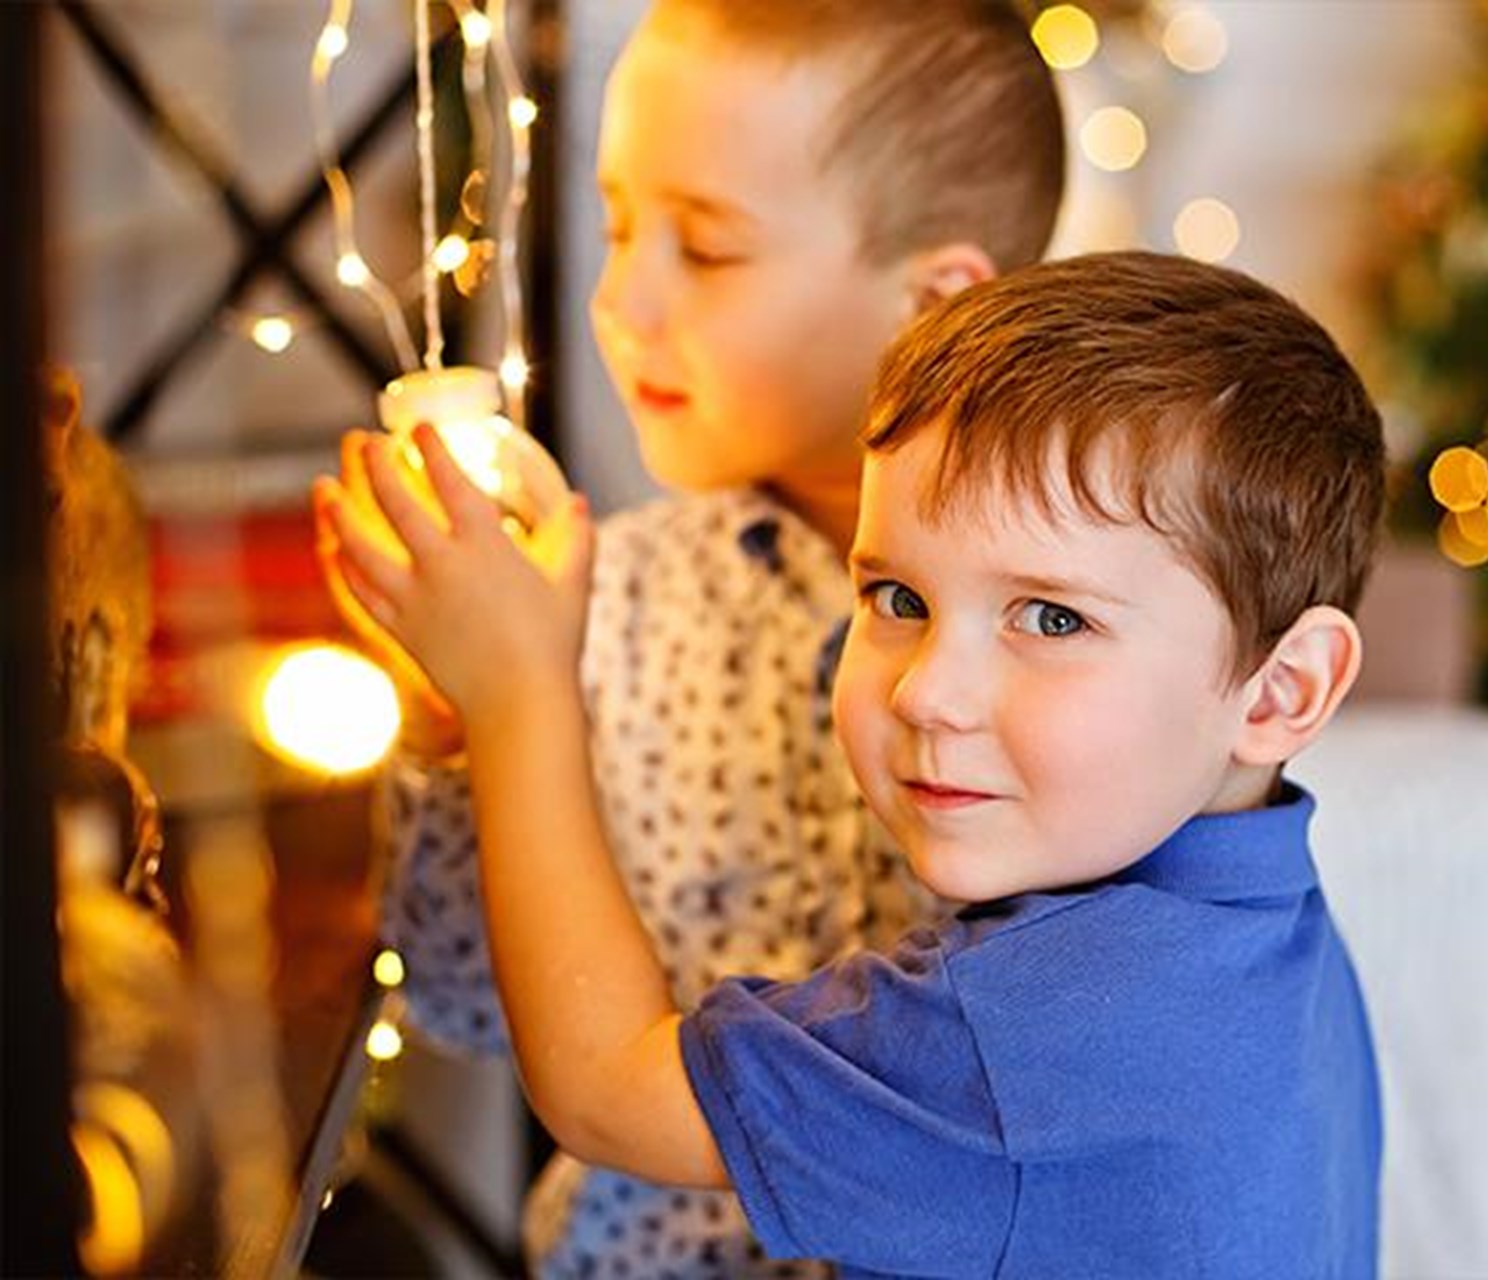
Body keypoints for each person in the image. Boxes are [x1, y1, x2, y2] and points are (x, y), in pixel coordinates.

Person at [315, 249, 1387, 1277]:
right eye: (898, 599)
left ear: (1284, 688)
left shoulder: (1025, 1031)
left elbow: (603, 1091)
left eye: (1052, 616)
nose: (927, 690)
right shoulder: (1263, 921)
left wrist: (515, 690)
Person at [316, 2, 1063, 1274]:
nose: (622, 301)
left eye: (707, 250)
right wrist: (468, 724)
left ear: (931, 304)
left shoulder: (1069, 642)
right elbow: (458, 997)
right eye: (616, 227)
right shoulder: (605, 603)